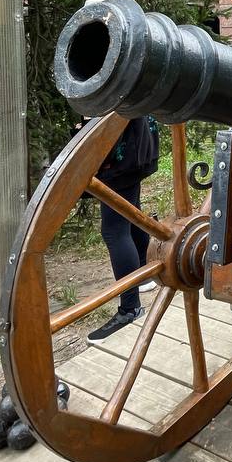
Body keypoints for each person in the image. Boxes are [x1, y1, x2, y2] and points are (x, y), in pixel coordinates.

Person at [87, 116, 160, 341]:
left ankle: (130, 309)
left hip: (119, 151)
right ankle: (143, 275)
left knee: (114, 230)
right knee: (131, 212)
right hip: (136, 143)